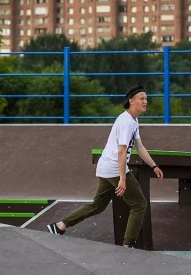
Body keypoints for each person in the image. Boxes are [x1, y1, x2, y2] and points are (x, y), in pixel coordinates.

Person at [46, 85, 164, 248]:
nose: (145, 101)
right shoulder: (125, 123)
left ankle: (60, 226)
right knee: (139, 204)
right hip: (115, 168)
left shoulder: (133, 121)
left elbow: (139, 147)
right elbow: (122, 152)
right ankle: (128, 244)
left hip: (105, 168)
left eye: (146, 98)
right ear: (132, 101)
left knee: (97, 205)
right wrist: (123, 178)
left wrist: (154, 166)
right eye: (141, 98)